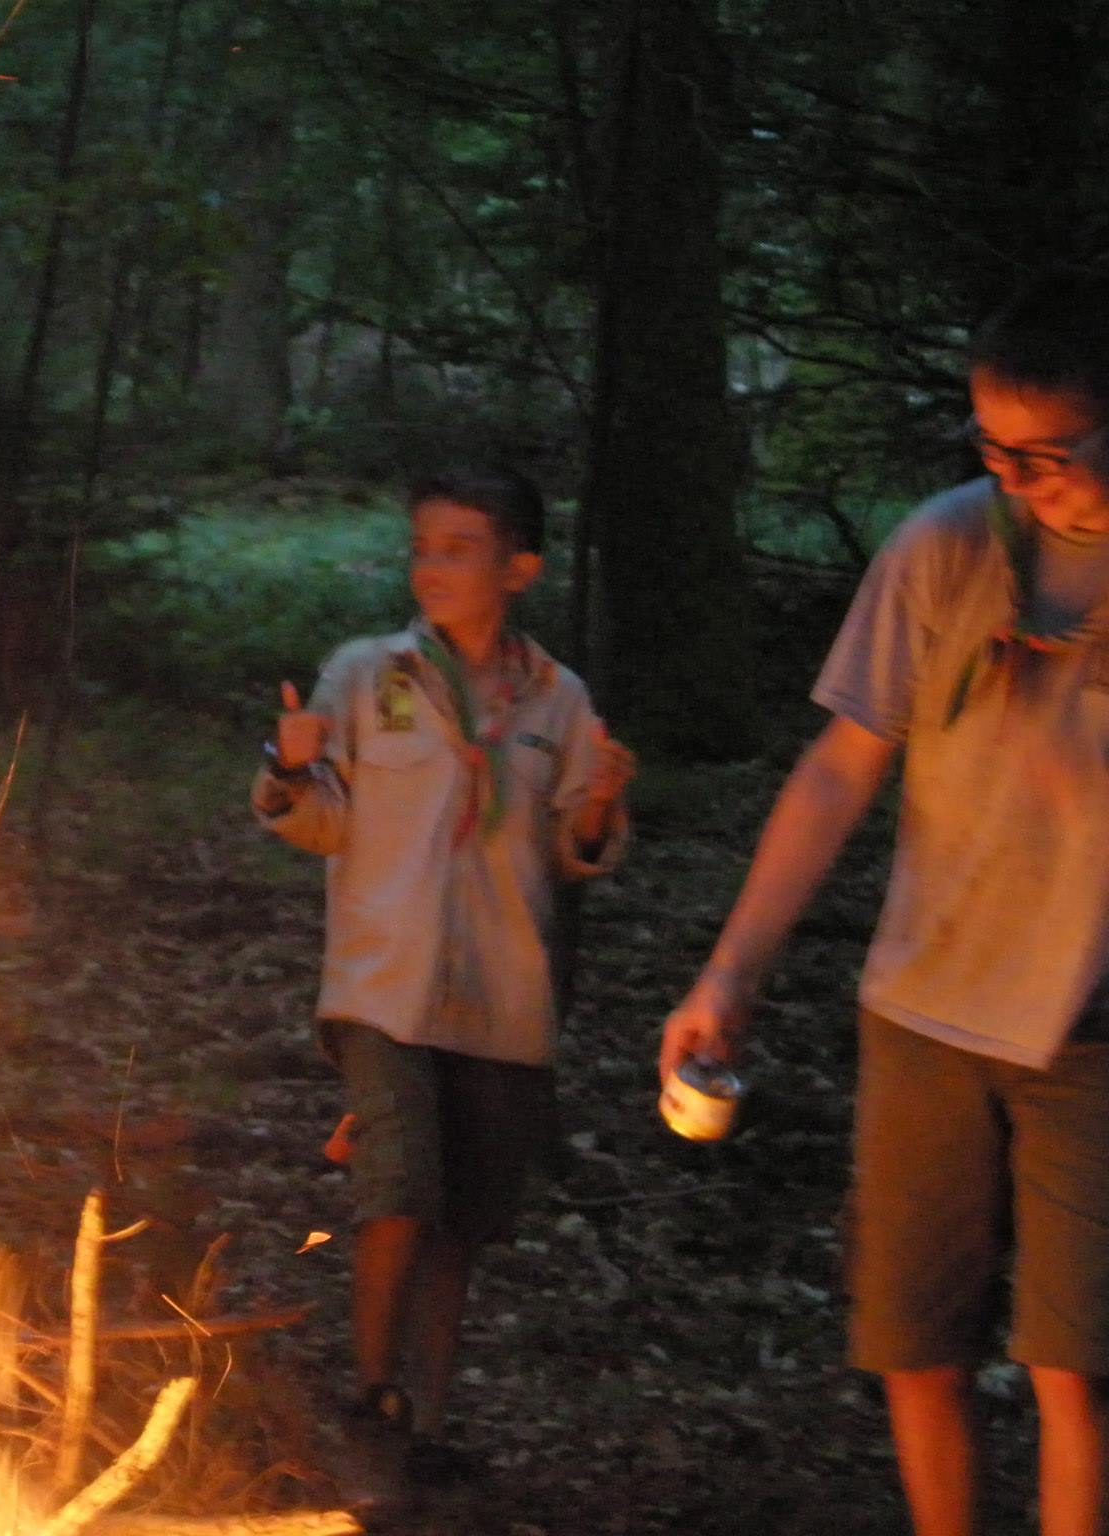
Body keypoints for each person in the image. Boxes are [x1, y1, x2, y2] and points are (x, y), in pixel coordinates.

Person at [660, 272, 1109, 1536]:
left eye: (1050, 455)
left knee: (1076, 1364)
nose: (1017, 480)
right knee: (918, 1347)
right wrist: (728, 973)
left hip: (1086, 1028)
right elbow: (835, 770)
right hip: (924, 1008)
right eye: (990, 449)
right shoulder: (943, 546)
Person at [252, 466, 635, 1487]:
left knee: (462, 1219)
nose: (431, 567)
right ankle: (367, 1397)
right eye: (421, 546)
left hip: (502, 999)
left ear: (519, 567)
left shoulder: (558, 699)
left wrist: (596, 807)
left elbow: (568, 848)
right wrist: (290, 768)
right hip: (383, 983)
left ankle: (423, 1416)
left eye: (458, 548)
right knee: (397, 1187)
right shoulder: (367, 676)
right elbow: (322, 819)